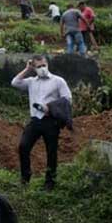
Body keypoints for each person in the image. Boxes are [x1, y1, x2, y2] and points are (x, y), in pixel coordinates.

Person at [12, 55, 72, 191]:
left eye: (44, 65)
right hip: (35, 120)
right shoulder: (31, 81)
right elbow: (14, 82)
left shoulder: (58, 81)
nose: (42, 68)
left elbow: (67, 99)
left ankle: (50, 182)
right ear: (34, 68)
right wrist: (27, 69)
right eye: (38, 66)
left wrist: (50, 108)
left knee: (51, 152)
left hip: (51, 121)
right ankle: (25, 178)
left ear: (47, 64)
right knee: (23, 146)